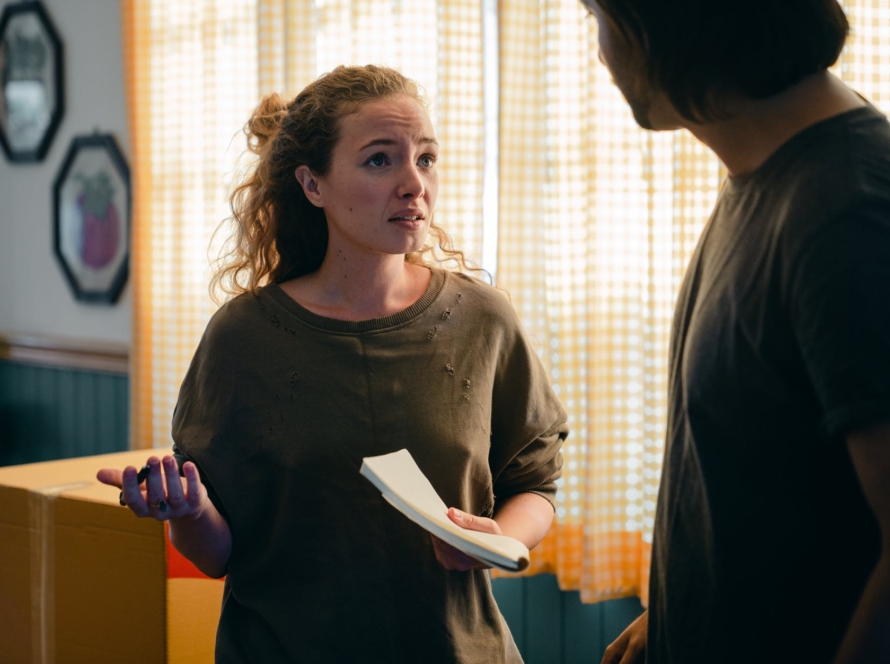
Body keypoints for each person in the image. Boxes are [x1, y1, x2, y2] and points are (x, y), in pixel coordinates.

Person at [97, 64, 568, 663]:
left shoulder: (484, 320)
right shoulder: (243, 338)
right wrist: (188, 511)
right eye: (379, 160)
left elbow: (535, 484)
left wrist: (502, 539)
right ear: (312, 185)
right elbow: (217, 554)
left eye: (425, 158)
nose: (413, 184)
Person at [579, 1, 890, 663]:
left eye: (598, 17)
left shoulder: (847, 212)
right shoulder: (768, 175)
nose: (600, 50)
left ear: (672, 24)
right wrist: (673, 614)